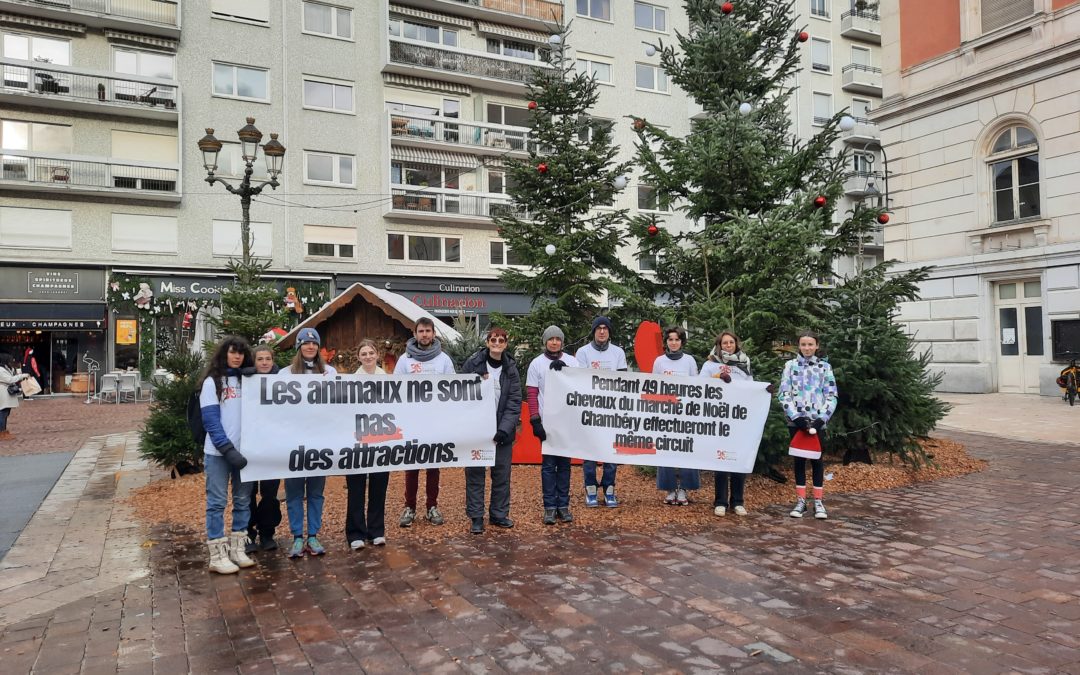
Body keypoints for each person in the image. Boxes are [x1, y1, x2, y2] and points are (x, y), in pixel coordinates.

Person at [199, 336, 256, 574]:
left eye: (241, 353)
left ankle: (237, 548)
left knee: (243, 501)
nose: (237, 357)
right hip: (219, 453)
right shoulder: (213, 382)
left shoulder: (249, 381)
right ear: (224, 354)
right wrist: (227, 449)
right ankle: (217, 554)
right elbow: (211, 420)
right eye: (233, 352)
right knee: (217, 502)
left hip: (246, 451)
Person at [395, 317, 455, 527]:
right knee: (412, 466)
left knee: (433, 466)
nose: (425, 335)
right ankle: (409, 507)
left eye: (428, 331)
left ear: (433, 334)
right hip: (412, 421)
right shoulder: (404, 360)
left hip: (435, 421)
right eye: (421, 331)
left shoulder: (444, 360)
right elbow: (396, 390)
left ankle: (431, 506)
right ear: (415, 334)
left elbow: (453, 389)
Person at [461, 327, 522, 534]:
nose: (497, 343)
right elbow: (462, 393)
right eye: (493, 340)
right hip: (477, 432)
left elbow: (514, 402)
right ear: (487, 342)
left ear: (506, 343)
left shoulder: (510, 368)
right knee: (476, 475)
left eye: (501, 340)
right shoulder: (474, 363)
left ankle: (498, 514)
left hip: (502, 434)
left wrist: (504, 429)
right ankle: (476, 517)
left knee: (501, 475)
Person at [285, 328, 337, 558]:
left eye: (314, 344)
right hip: (294, 442)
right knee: (294, 491)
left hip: (319, 441)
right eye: (305, 343)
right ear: (299, 347)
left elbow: (339, 404)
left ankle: (313, 535)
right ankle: (297, 537)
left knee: (316, 492)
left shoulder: (330, 372)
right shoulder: (285, 374)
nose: (310, 347)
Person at [779, 330, 838, 520]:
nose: (807, 348)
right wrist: (795, 417)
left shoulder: (824, 367)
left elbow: (831, 395)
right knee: (799, 460)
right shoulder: (790, 365)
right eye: (803, 344)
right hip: (796, 421)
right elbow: (784, 393)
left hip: (817, 421)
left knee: (817, 460)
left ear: (817, 346)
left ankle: (818, 502)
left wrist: (822, 418)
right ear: (799, 345)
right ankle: (801, 501)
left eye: (810, 344)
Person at [526, 325, 579, 525]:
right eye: (551, 339)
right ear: (545, 341)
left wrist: (564, 372)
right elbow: (531, 393)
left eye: (558, 339)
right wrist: (534, 419)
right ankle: (549, 507)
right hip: (547, 422)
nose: (554, 342)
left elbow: (579, 387)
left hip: (566, 421)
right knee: (548, 466)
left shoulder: (572, 361)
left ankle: (563, 506)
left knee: (564, 465)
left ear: (562, 342)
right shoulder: (536, 364)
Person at [574, 316, 627, 508]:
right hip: (590, 409)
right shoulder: (583, 352)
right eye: (599, 328)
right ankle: (590, 489)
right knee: (589, 452)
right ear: (594, 331)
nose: (602, 331)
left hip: (612, 410)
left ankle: (609, 489)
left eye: (605, 328)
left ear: (609, 331)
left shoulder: (618, 352)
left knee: (610, 452)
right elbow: (580, 379)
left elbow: (623, 380)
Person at [701, 331, 753, 516]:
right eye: (725, 343)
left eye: (731, 342)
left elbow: (750, 386)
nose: (728, 345)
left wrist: (764, 391)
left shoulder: (744, 363)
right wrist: (717, 379)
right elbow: (700, 386)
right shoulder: (710, 364)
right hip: (719, 418)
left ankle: (738, 501)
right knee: (722, 460)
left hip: (739, 419)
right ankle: (720, 501)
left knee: (738, 459)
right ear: (719, 345)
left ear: (736, 344)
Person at [346, 339, 390, 549]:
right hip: (357, 441)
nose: (368, 357)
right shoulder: (350, 381)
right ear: (358, 357)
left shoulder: (388, 380)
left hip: (381, 439)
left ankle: (376, 531)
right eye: (363, 354)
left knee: (379, 486)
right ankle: (355, 533)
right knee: (356, 487)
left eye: (371, 353)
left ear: (377, 354)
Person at [653, 326, 700, 505]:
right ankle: (670, 489)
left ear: (682, 341)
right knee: (666, 450)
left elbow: (696, 387)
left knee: (687, 449)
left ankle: (684, 489)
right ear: (666, 342)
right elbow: (654, 387)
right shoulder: (659, 362)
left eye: (677, 339)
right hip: (665, 413)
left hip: (685, 413)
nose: (673, 343)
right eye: (670, 339)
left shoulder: (689, 361)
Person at [244, 345, 282, 552]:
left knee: (269, 493)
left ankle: (267, 532)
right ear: (254, 361)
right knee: (248, 493)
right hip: (249, 447)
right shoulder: (246, 382)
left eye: (268, 358)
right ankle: (248, 533)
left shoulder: (282, 382)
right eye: (260, 359)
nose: (265, 362)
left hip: (271, 448)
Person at [0, 352, 30, 441]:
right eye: (9, 359)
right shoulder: (1, 370)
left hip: (6, 393)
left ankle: (4, 431)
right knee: (2, 413)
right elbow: (10, 379)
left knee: (5, 413)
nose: (11, 361)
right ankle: (1, 432)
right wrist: (22, 376)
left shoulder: (6, 368)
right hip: (3, 393)